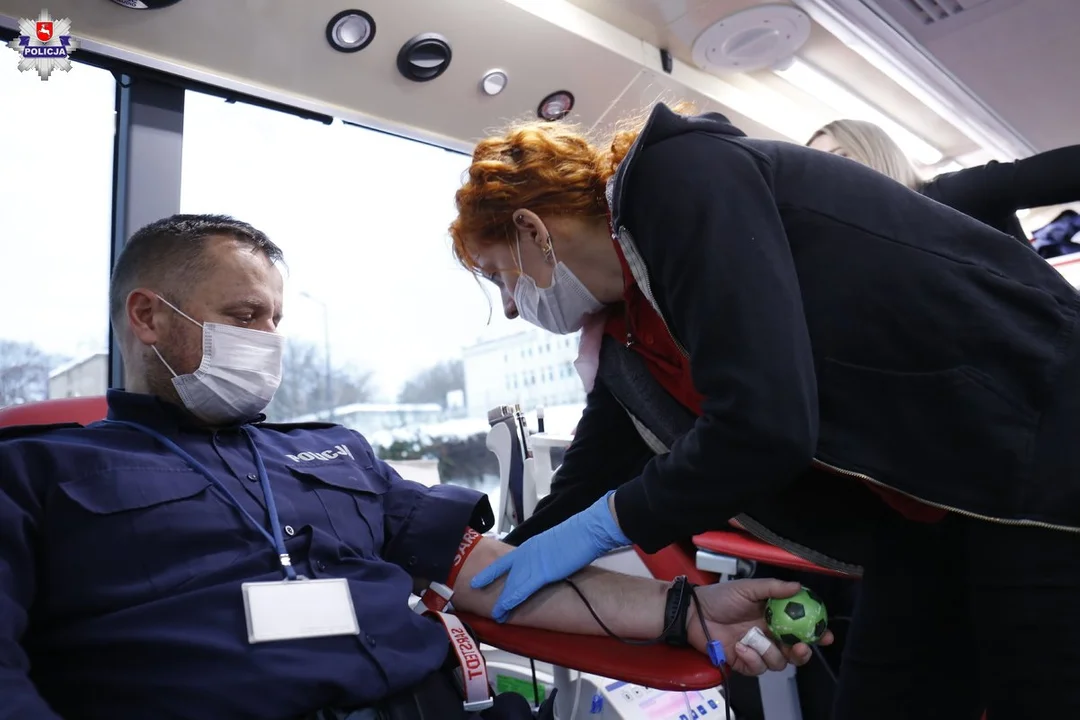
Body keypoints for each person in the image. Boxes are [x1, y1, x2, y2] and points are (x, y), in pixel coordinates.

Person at [0, 214, 821, 720]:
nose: (268, 342)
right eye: (245, 316)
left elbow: (497, 578)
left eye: (276, 320)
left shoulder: (332, 453)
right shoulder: (37, 474)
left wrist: (689, 611)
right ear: (149, 316)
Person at [447, 102, 1080, 718]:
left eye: (502, 274)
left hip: (1034, 447)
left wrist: (604, 526)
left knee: (1039, 690)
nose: (509, 305)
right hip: (924, 507)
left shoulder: (681, 180)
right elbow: (590, 476)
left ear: (533, 229)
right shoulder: (627, 332)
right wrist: (481, 575)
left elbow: (765, 425)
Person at [807, 118, 1080, 244]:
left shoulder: (951, 195)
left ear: (875, 152)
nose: (832, 173)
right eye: (820, 168)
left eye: (841, 156)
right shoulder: (868, 242)